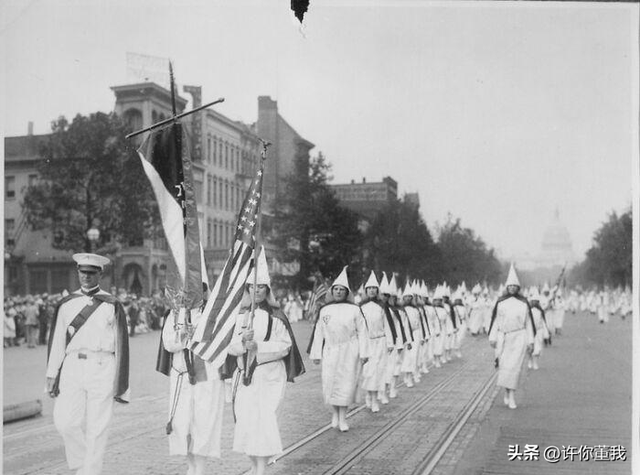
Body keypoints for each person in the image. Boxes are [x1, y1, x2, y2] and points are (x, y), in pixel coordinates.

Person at [45, 253, 129, 475]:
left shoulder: (111, 304)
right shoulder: (67, 304)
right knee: (65, 422)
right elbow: (57, 341)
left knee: (97, 427)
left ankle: (89, 472)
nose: (86, 277)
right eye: (83, 272)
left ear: (100, 274)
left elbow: (121, 344)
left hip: (102, 365)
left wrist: (121, 380)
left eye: (91, 273)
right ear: (78, 273)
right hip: (72, 365)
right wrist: (52, 373)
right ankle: (82, 464)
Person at [223, 248, 305, 475]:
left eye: (260, 286)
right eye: (252, 286)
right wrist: (241, 342)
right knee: (246, 420)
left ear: (267, 289)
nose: (256, 290)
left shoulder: (276, 316)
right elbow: (229, 346)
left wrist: (259, 347)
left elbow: (284, 346)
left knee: (264, 420)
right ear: (247, 288)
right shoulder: (239, 316)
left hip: (268, 375)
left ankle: (262, 467)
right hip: (244, 376)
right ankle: (253, 463)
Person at [158, 293, 226, 475]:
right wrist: (183, 336)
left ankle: (201, 468)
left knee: (202, 423)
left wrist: (197, 334)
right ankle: (191, 466)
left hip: (205, 375)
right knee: (182, 423)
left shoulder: (212, 313)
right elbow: (168, 343)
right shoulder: (174, 315)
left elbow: (218, 340)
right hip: (181, 376)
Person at [309, 266, 369, 432]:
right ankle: (335, 413)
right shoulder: (325, 310)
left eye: (342, 290)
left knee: (346, 384)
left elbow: (363, 332)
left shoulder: (355, 310)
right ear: (332, 291)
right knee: (330, 382)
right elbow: (319, 333)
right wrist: (316, 354)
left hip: (350, 351)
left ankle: (343, 417)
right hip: (331, 350)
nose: (338, 292)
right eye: (336, 289)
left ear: (346, 292)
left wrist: (364, 352)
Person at [488, 264, 534, 409]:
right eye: (510, 286)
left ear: (518, 288)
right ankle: (507, 392)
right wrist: (493, 337)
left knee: (515, 367)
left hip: (519, 337)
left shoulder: (524, 303)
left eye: (515, 286)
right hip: (504, 337)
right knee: (505, 367)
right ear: (507, 287)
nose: (512, 288)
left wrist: (531, 341)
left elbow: (528, 323)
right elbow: (495, 320)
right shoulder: (501, 302)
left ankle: (512, 395)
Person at [359, 271, 394, 413]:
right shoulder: (360, 307)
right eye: (369, 288)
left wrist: (390, 343)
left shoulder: (382, 306)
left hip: (380, 341)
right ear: (366, 291)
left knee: (378, 371)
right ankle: (369, 395)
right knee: (368, 371)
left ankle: (374, 399)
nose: (372, 290)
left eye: (374, 288)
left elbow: (387, 325)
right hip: (366, 342)